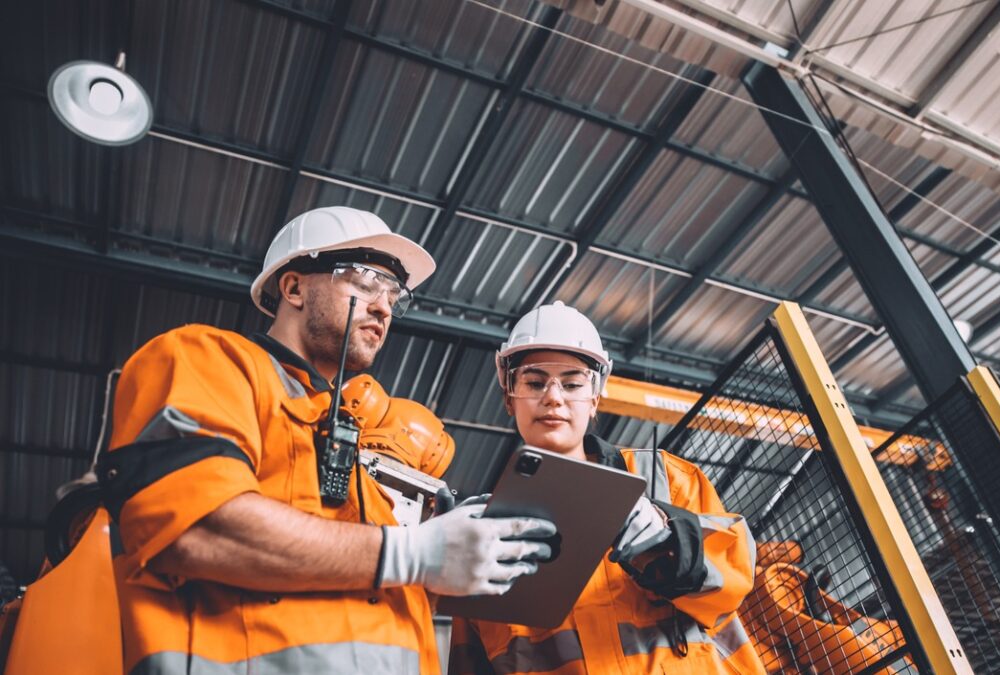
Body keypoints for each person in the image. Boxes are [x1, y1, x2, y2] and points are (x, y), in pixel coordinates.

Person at [98, 206, 555, 673]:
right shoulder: (210, 362)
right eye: (364, 282)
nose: (383, 307)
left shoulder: (363, 474)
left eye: (394, 295)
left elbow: (367, 584)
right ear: (293, 287)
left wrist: (459, 549)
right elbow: (193, 527)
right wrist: (413, 552)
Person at [449, 301, 765, 674]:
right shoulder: (484, 534)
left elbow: (734, 576)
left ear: (595, 398)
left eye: (572, 383)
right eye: (535, 382)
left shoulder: (663, 477)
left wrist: (669, 542)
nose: (553, 397)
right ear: (509, 396)